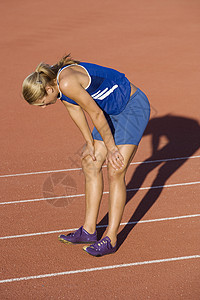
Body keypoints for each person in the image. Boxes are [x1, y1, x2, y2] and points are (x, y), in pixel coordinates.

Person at [22, 54, 150, 257]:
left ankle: (111, 239)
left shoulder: (66, 82)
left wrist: (112, 148)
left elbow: (96, 115)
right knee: (89, 161)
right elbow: (75, 109)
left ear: (48, 90)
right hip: (109, 111)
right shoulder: (56, 84)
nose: (45, 107)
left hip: (131, 108)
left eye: (43, 103)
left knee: (116, 169)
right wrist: (90, 144)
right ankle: (89, 231)